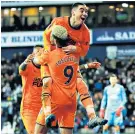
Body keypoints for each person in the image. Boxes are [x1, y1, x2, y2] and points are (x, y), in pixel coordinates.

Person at [41, 2, 103, 130]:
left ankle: (92, 116)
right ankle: (48, 115)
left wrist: (75, 48)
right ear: (73, 12)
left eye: (86, 11)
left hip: (69, 62)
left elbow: (84, 51)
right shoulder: (58, 21)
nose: (85, 13)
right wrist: (50, 52)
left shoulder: (85, 31)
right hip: (52, 60)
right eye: (82, 10)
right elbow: (45, 36)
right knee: (47, 82)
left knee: (81, 84)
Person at [34, 25, 107, 134]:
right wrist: (87, 66)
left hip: (55, 100)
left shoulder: (49, 55)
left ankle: (48, 113)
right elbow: (73, 67)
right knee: (80, 83)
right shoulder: (74, 54)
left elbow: (36, 61)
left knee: (47, 84)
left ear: (54, 39)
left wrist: (38, 54)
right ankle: (92, 115)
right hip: (71, 102)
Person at [19, 45, 43, 134]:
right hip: (28, 108)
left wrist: (86, 66)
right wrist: (25, 61)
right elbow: (21, 69)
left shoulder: (46, 68)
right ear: (33, 55)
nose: (41, 55)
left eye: (42, 53)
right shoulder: (28, 66)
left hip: (42, 108)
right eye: (39, 53)